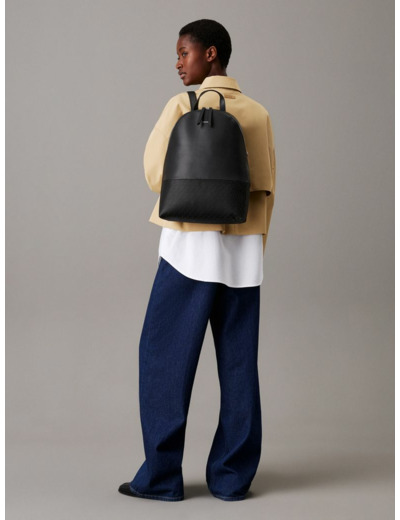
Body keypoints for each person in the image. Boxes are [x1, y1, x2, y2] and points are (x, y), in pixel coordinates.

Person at [118, 18, 276, 502]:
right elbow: (266, 187)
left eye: (184, 53)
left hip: (188, 250)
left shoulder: (181, 106)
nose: (178, 63)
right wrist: (253, 245)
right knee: (239, 367)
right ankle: (231, 479)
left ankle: (161, 478)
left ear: (211, 54)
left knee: (163, 360)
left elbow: (155, 175)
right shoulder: (258, 113)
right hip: (242, 255)